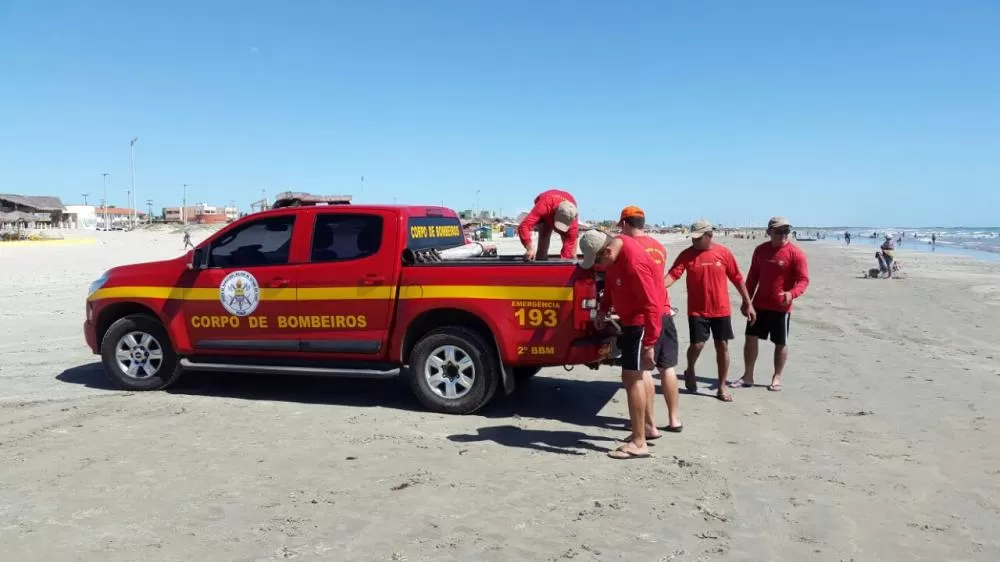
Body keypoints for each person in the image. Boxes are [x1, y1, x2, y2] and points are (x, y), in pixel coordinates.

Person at [581, 229, 664, 460]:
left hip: (641, 324)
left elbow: (653, 305)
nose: (597, 266)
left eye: (598, 260)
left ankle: (639, 442)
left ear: (607, 251)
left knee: (631, 378)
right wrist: (604, 310)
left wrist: (649, 344)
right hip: (632, 322)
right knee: (639, 375)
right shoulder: (615, 252)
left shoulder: (634, 262)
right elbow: (610, 284)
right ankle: (647, 428)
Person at [665, 219, 755, 402]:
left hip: (721, 310)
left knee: (722, 346)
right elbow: (673, 275)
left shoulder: (723, 253)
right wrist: (656, 289)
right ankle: (690, 368)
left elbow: (737, 278)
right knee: (697, 345)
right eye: (693, 238)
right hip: (697, 310)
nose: (695, 242)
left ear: (709, 236)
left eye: (699, 238)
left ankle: (721, 387)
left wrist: (748, 302)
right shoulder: (686, 255)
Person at [617, 206, 682, 434]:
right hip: (665, 310)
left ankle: (648, 424)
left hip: (646, 316)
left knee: (643, 371)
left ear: (625, 224)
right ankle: (674, 419)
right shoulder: (659, 247)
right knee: (668, 368)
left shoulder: (630, 247)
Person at [729, 217, 809, 393]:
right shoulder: (760, 250)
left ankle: (776, 377)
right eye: (779, 231)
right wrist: (746, 301)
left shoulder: (796, 253)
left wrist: (792, 294)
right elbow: (752, 278)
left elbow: (803, 280)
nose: (783, 234)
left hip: (781, 308)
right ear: (769, 232)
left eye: (786, 231)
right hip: (758, 305)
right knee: (750, 338)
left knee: (780, 343)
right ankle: (748, 376)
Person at [517, 189, 579, 261]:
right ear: (555, 211)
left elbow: (567, 254)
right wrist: (529, 248)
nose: (559, 229)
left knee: (572, 255)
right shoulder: (544, 205)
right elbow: (523, 226)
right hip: (547, 210)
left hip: (566, 205)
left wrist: (564, 262)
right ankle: (540, 266)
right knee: (542, 251)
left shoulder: (573, 222)